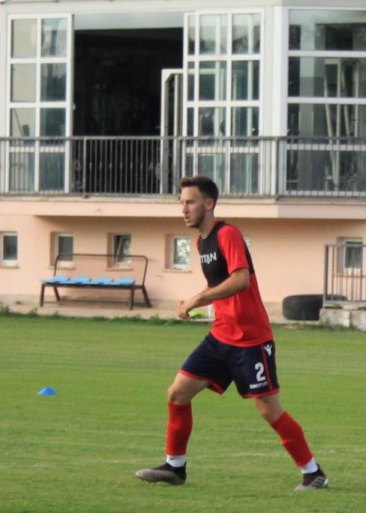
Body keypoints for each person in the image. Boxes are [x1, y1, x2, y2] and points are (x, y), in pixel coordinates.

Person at [135, 175, 328, 491]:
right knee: (177, 393)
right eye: (182, 202)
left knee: (268, 408)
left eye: (191, 202)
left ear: (209, 203)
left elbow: (241, 280)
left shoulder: (228, 234)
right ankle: (175, 467)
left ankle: (313, 472)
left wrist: (198, 298)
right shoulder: (201, 242)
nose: (184, 209)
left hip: (251, 340)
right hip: (221, 335)